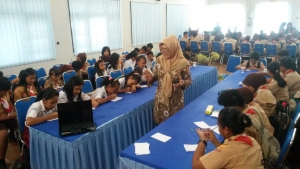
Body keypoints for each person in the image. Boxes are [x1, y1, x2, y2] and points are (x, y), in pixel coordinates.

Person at [192, 107, 263, 169]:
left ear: (226, 130)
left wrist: (202, 140)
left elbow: (196, 166)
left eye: (218, 125)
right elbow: (229, 155)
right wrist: (214, 140)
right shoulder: (252, 140)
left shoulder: (230, 150)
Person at [147, 35, 192, 124]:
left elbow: (189, 79)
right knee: (160, 126)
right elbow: (156, 75)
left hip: (175, 101)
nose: (164, 53)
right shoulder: (160, 60)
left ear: (174, 48)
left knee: (174, 125)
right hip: (161, 99)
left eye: (167, 50)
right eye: (162, 50)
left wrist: (183, 83)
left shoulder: (183, 63)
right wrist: (150, 78)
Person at [0, 77, 17, 168]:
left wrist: (15, 113)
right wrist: (12, 116)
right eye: (3, 92)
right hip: (2, 119)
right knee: (3, 134)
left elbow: (11, 104)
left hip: (8, 116)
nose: (5, 94)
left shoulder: (5, 94)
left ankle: (25, 150)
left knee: (23, 123)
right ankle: (1, 160)